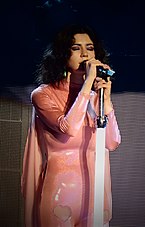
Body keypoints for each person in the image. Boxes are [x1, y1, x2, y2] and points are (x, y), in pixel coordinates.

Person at [21, 23, 121, 227]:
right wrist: (87, 85)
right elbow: (68, 128)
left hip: (96, 194)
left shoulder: (96, 97)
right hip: (61, 194)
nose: (85, 54)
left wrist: (106, 100)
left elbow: (112, 143)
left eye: (90, 48)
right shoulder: (43, 95)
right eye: (76, 48)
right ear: (62, 54)